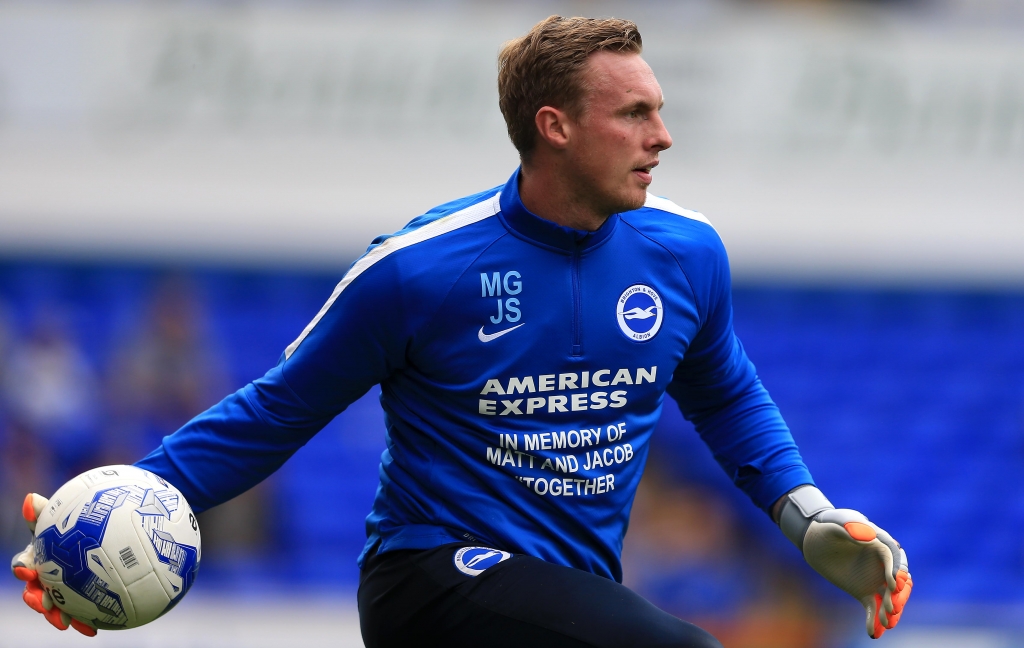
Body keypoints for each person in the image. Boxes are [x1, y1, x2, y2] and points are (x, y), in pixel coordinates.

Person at [10, 16, 912, 647]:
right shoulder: (419, 271)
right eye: (635, 113)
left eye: (660, 110)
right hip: (430, 582)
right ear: (553, 127)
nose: (663, 136)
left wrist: (808, 518)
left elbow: (726, 395)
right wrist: (102, 514)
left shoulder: (686, 254)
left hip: (569, 596)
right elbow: (277, 409)